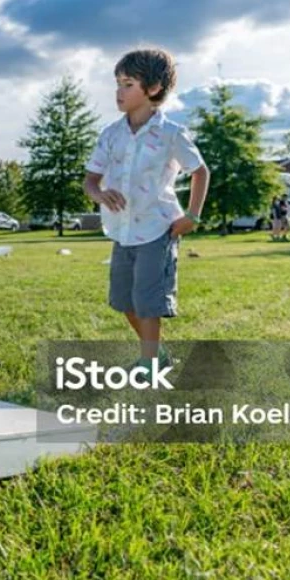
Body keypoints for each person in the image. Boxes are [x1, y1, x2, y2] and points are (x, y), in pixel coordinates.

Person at [83, 48, 210, 373]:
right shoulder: (110, 134)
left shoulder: (171, 134)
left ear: (153, 89)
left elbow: (200, 171)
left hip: (158, 228)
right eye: (118, 84)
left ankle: (149, 365)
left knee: (147, 300)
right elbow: (90, 180)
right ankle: (158, 355)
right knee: (125, 302)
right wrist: (100, 194)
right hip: (121, 230)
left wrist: (192, 216)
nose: (118, 92)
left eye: (128, 84)